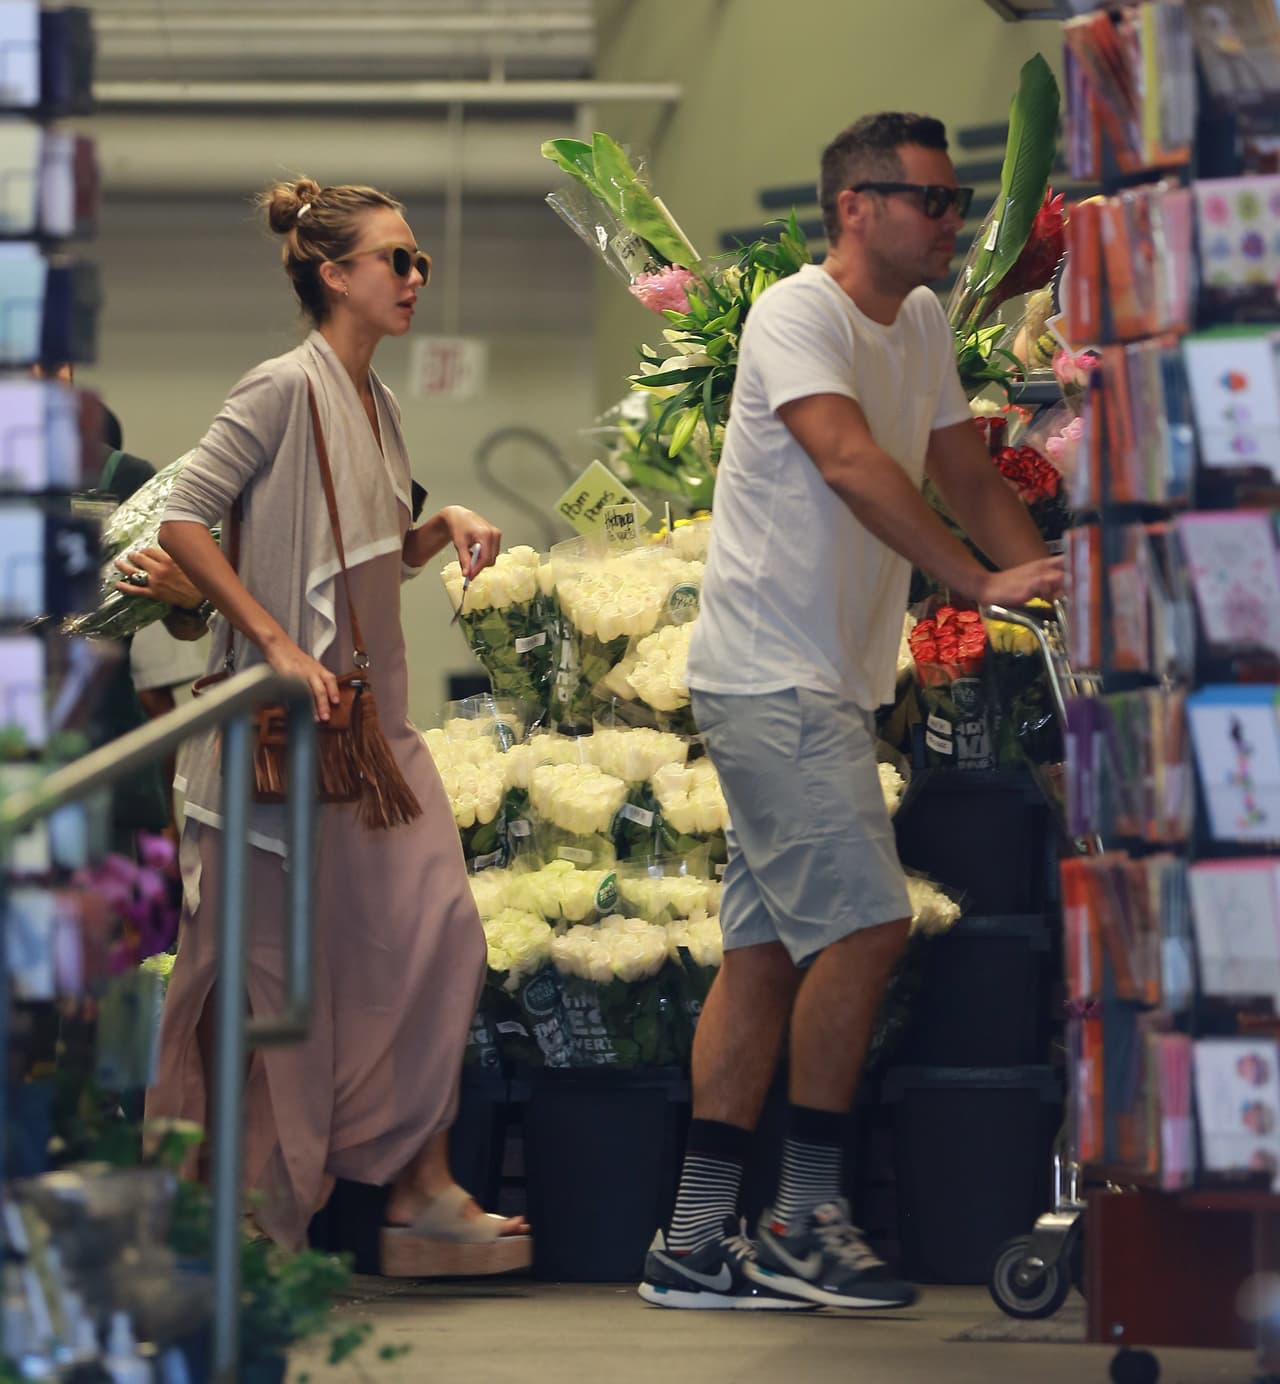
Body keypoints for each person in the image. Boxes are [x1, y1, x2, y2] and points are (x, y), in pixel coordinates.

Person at [639, 112, 1064, 1311]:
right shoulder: (795, 315)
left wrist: (1049, 589)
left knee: (766, 953)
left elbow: (965, 470)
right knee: (868, 926)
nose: (950, 220)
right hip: (772, 677)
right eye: (926, 200)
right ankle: (803, 1220)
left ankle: (691, 1237)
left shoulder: (919, 320)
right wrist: (975, 582)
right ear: (853, 208)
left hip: (824, 676)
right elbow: (849, 461)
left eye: (952, 199)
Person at [144, 176, 531, 1275]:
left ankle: (414, 1188)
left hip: (368, 728)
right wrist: (270, 637)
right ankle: (259, 1225)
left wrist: (441, 520)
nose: (414, 277)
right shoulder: (281, 386)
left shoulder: (377, 402)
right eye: (395, 260)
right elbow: (181, 516)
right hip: (286, 735)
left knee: (436, 933)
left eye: (416, 261)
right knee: (267, 976)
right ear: (334, 273)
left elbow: (369, 548)